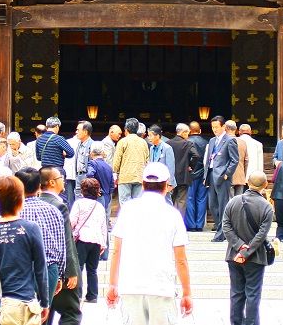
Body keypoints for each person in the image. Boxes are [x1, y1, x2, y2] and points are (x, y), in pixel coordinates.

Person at [106, 162, 193, 323]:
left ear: (142, 183)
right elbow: (181, 259)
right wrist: (186, 292)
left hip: (131, 285)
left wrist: (112, 284)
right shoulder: (172, 214)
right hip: (160, 286)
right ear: (167, 185)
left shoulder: (128, 209)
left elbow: (117, 250)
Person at [0, 175, 51, 325]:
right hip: (23, 299)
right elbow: (41, 269)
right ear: (20, 199)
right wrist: (44, 302)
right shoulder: (31, 228)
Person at [13, 167, 68, 322]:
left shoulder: (13, 211)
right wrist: (60, 274)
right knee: (43, 315)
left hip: (20, 270)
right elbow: (61, 246)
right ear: (39, 186)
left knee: (20, 317)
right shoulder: (53, 210)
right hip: (49, 268)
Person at [222, 171, 274, 325]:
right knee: (252, 294)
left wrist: (238, 246)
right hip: (255, 257)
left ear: (248, 181)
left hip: (233, 255)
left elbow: (226, 226)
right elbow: (261, 235)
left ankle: (236, 322)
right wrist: (246, 251)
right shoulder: (267, 207)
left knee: (236, 293)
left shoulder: (233, 202)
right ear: (265, 185)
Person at [39, 166, 82, 325]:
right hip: (60, 270)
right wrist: (71, 271)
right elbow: (66, 241)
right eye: (60, 178)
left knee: (44, 314)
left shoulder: (35, 204)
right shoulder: (59, 206)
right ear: (51, 182)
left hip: (41, 270)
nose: (63, 180)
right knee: (71, 313)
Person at [70, 177, 108, 304]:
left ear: (82, 190)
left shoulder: (79, 204)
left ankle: (78, 294)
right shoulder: (100, 206)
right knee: (92, 269)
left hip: (82, 238)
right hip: (96, 240)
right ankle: (92, 295)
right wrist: (104, 243)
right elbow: (103, 226)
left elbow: (72, 221)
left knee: (78, 267)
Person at [205, 116, 239, 242]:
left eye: (216, 127)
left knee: (223, 204)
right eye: (212, 127)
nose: (214, 129)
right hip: (212, 174)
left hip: (222, 175)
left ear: (223, 127)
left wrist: (227, 174)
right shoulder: (213, 140)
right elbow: (208, 160)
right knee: (212, 204)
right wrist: (206, 176)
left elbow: (234, 160)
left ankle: (221, 233)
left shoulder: (230, 140)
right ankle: (221, 228)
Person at [112, 117, 149, 206]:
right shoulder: (143, 142)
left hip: (125, 176)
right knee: (137, 204)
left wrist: (115, 174)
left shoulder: (122, 141)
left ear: (126, 130)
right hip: (139, 176)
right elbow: (147, 160)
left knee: (125, 204)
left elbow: (117, 161)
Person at [166, 123, 200, 218]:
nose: (188, 135)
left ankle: (169, 221)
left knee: (170, 199)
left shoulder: (168, 143)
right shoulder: (188, 144)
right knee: (181, 200)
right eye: (188, 133)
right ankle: (179, 223)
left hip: (171, 176)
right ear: (183, 132)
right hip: (184, 176)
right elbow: (196, 155)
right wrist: (190, 166)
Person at [185, 121, 209, 231]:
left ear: (189, 131)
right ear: (200, 131)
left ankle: (191, 224)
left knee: (189, 198)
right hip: (203, 174)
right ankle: (200, 224)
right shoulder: (206, 142)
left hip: (190, 174)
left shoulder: (187, 142)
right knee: (201, 199)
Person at [146, 125, 177, 198]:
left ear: (157, 136)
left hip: (165, 180)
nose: (149, 138)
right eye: (148, 136)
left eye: (151, 136)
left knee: (167, 201)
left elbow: (171, 167)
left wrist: (170, 183)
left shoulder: (167, 148)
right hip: (154, 180)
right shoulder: (151, 148)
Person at [85, 142, 115, 217]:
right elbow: (112, 185)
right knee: (104, 217)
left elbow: (89, 175)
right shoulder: (109, 167)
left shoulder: (92, 163)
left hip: (97, 196)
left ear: (91, 154)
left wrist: (96, 189)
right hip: (106, 197)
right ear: (103, 153)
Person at [70, 121, 94, 200]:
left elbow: (93, 164)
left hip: (87, 176)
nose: (76, 132)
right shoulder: (79, 144)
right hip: (78, 175)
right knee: (78, 197)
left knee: (87, 198)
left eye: (78, 130)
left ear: (85, 132)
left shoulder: (92, 145)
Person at [226, 121, 249, 197]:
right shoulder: (243, 143)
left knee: (229, 203)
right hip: (240, 176)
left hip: (227, 177)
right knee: (239, 203)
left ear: (225, 129)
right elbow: (246, 161)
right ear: (236, 129)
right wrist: (243, 174)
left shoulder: (224, 142)